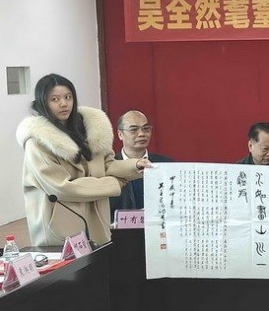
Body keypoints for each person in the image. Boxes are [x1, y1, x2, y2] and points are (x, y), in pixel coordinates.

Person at [17, 74, 149, 248]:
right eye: (55, 99)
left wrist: (136, 165)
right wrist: (114, 183)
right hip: (60, 225)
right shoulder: (38, 143)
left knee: (100, 263)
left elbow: (107, 165)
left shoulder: (89, 131)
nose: (63, 104)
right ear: (43, 102)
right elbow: (62, 186)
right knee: (71, 266)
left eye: (68, 97)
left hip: (95, 220)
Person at [110, 110, 174, 216]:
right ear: (120, 134)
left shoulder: (166, 164)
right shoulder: (110, 166)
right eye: (133, 130)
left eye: (146, 129)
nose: (141, 134)